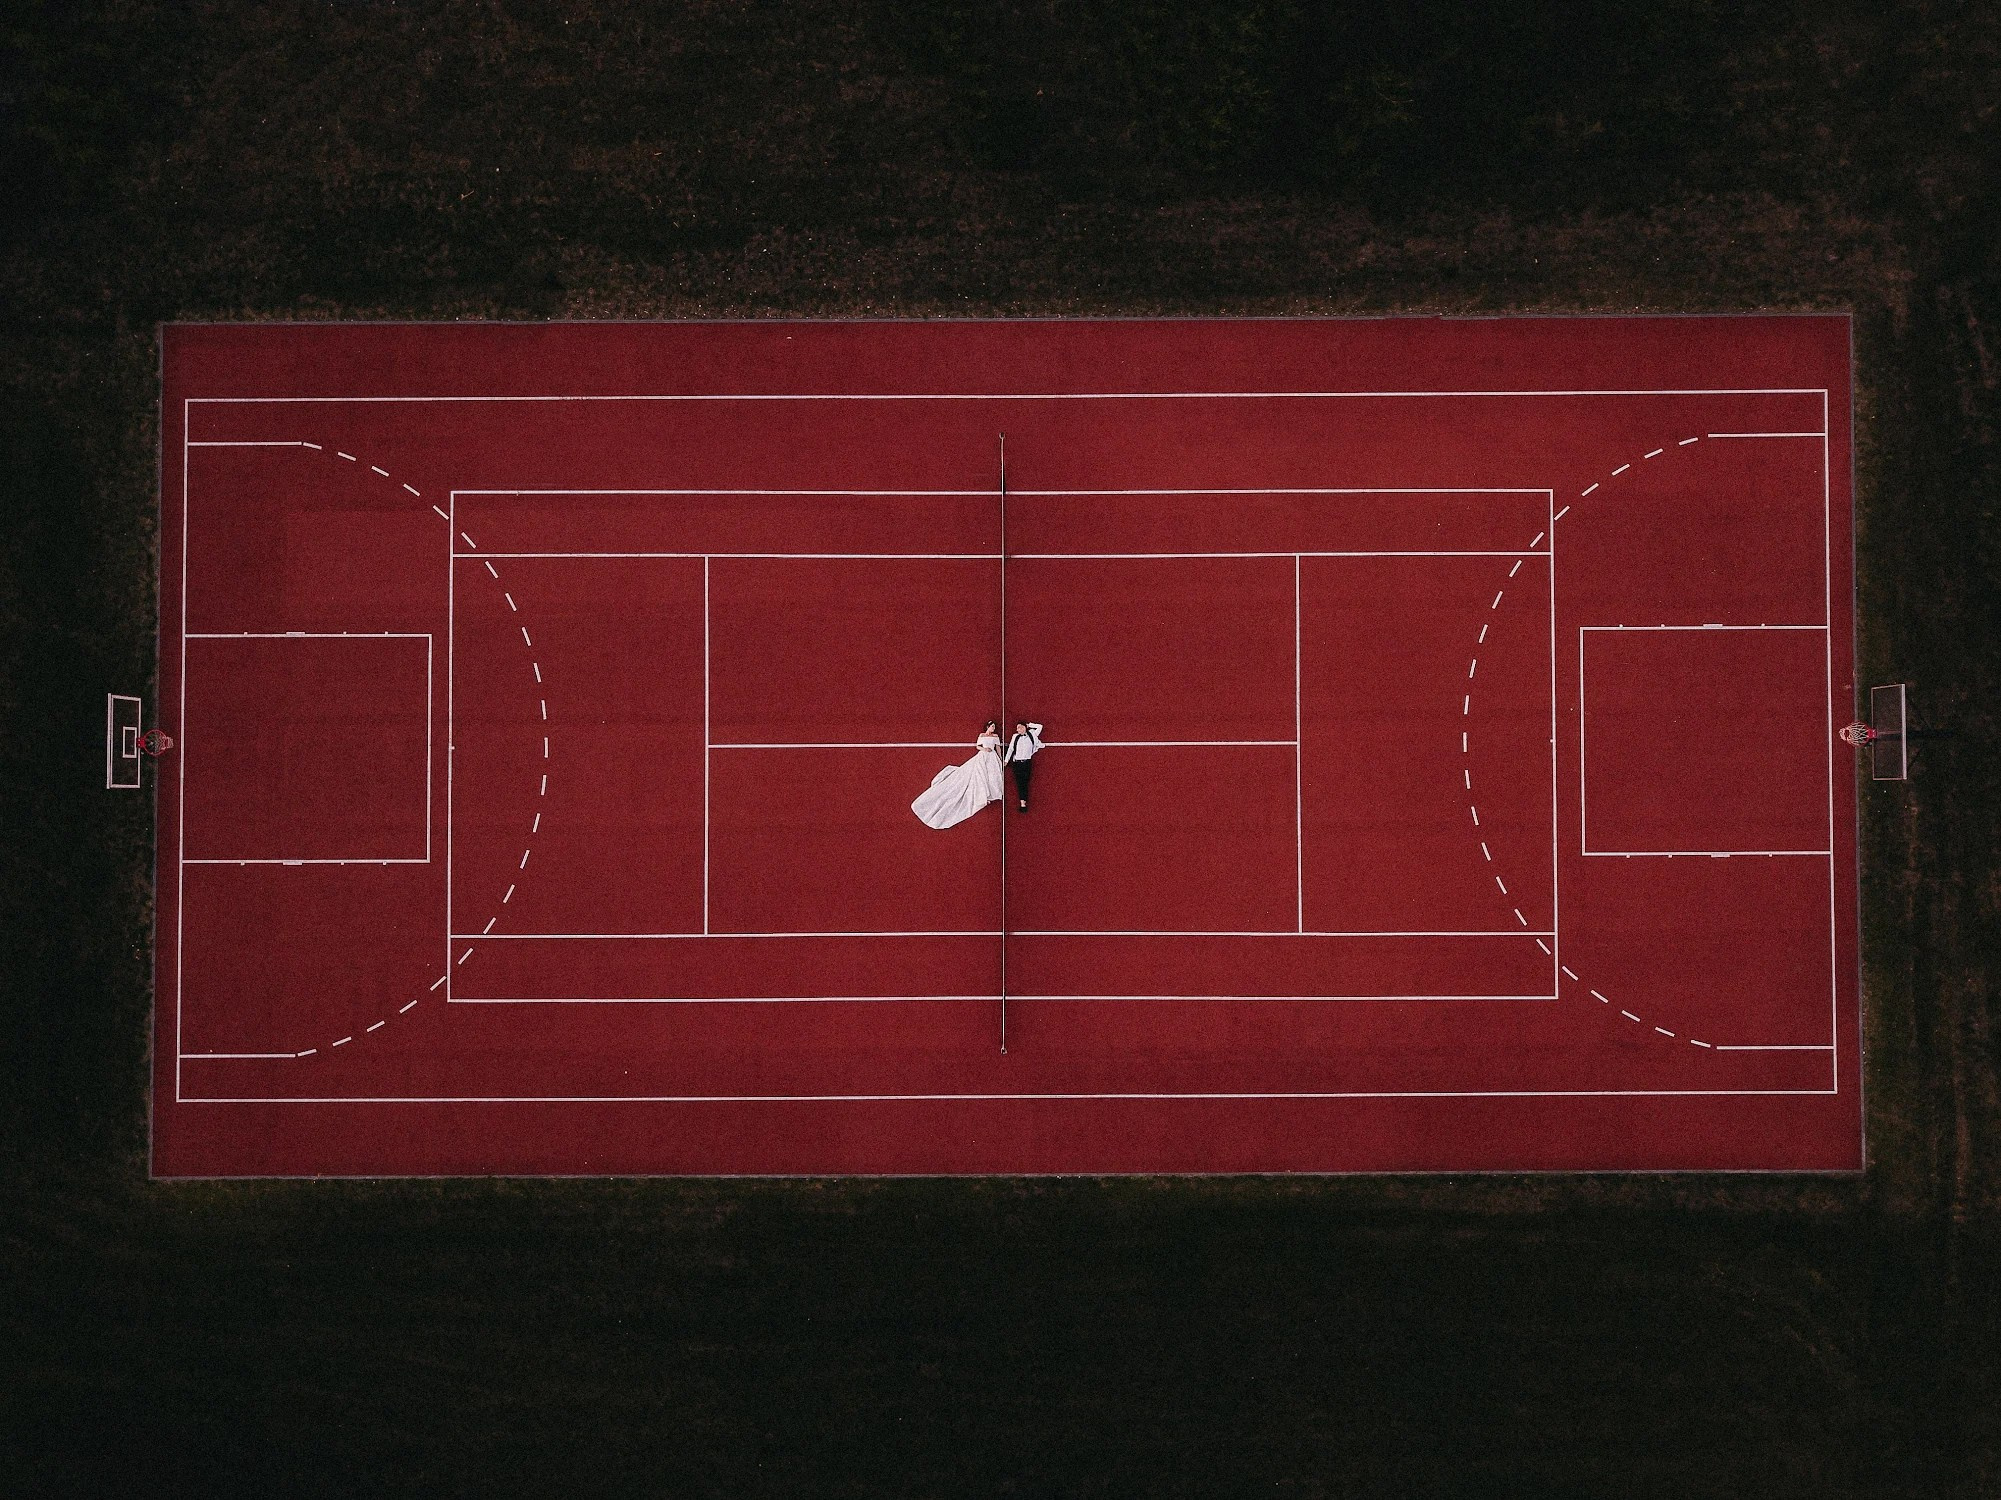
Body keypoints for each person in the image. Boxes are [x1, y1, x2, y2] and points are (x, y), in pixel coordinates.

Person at [911, 721, 1005, 829]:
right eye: (992, 726)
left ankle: (990, 794)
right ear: (988, 727)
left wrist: (1000, 758)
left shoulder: (996, 736)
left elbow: (998, 747)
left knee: (992, 775)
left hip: (992, 757)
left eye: (994, 727)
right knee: (979, 774)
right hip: (983, 756)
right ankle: (983, 795)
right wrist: (985, 749)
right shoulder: (982, 735)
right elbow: (978, 746)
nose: (993, 728)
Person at [1003, 719, 1044, 810]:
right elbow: (1011, 749)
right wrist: (1006, 761)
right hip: (1017, 763)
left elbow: (1040, 726)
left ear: (1024, 727)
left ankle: (1024, 800)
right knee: (1020, 783)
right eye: (1017, 728)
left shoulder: (1032, 734)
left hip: (1027, 763)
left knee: (1025, 782)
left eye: (1019, 727)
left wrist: (1029, 724)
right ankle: (1023, 803)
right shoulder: (1015, 736)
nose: (1018, 729)